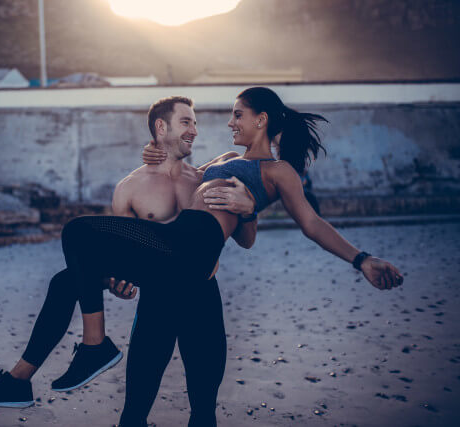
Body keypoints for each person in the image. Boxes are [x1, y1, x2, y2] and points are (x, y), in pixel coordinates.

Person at [57, 87, 403, 426]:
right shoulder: (223, 160)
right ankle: (92, 345)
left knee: (203, 409)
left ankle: (92, 346)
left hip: (199, 287)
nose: (230, 123)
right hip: (164, 277)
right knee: (134, 409)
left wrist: (361, 259)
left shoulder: (279, 171)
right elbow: (182, 173)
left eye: (238, 115)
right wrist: (155, 149)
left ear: (261, 120)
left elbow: (307, 224)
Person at [0, 97, 257, 426]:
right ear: (161, 127)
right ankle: (34, 374)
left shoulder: (204, 178)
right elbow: (126, 264)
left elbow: (246, 240)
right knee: (133, 415)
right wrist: (115, 283)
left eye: (195, 122)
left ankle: (42, 369)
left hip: (201, 299)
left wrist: (249, 210)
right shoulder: (128, 189)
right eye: (186, 122)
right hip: (158, 302)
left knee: (204, 412)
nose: (195, 130)